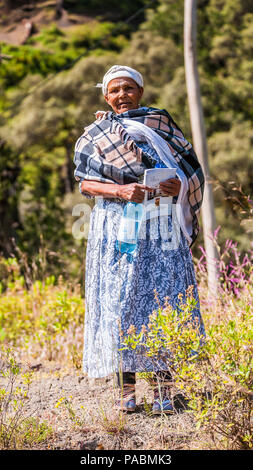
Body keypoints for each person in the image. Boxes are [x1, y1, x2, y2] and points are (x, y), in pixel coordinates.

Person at [73, 65, 205, 414]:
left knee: (164, 300)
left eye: (128, 88)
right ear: (105, 95)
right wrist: (120, 189)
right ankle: (126, 396)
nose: (122, 95)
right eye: (115, 90)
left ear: (140, 92)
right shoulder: (95, 134)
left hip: (162, 226)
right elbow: (84, 182)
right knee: (121, 304)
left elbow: (191, 172)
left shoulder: (160, 125)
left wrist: (179, 185)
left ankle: (164, 392)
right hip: (117, 227)